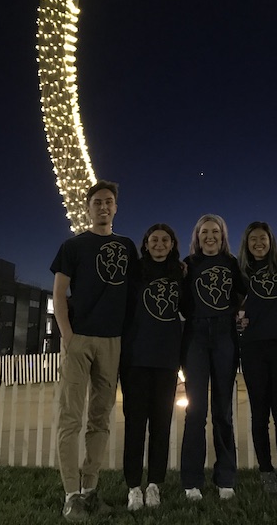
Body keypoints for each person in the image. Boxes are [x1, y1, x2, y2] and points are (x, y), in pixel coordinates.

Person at [51, 180, 137, 522]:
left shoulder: (128, 246)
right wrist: (68, 336)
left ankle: (91, 490)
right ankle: (71, 495)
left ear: (116, 208)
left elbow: (140, 286)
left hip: (113, 341)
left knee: (100, 418)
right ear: (88, 208)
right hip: (80, 339)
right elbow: (59, 293)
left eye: (109, 202)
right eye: (98, 202)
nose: (103, 207)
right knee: (69, 417)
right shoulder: (73, 246)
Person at [179, 214, 246, 500]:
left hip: (224, 337)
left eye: (215, 231)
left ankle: (225, 477)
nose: (210, 236)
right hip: (195, 337)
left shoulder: (232, 264)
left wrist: (242, 316)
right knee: (195, 411)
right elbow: (178, 299)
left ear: (222, 235)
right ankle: (192, 480)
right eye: (204, 231)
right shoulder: (188, 265)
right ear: (197, 236)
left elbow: (246, 296)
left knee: (223, 411)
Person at [120, 223, 184, 510]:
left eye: (165, 240)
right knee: (135, 425)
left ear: (172, 244)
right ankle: (134, 486)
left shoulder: (180, 273)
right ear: (145, 244)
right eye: (154, 240)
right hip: (135, 359)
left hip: (166, 360)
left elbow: (193, 309)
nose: (159, 244)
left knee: (161, 425)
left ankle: (155, 484)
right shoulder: (133, 272)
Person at [237, 222, 277, 497]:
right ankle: (266, 472)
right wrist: (236, 320)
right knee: (259, 414)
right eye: (253, 239)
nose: (258, 243)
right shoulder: (241, 270)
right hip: (252, 348)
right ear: (247, 244)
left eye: (263, 238)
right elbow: (229, 302)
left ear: (270, 241)